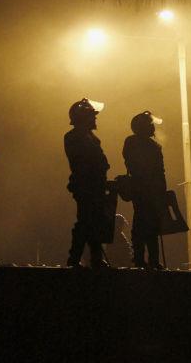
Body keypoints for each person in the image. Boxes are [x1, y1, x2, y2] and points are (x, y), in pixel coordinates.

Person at [64, 98, 110, 269]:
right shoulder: (75, 137)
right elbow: (85, 162)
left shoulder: (88, 137)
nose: (95, 119)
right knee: (85, 221)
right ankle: (75, 258)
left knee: (94, 222)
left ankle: (94, 258)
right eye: (92, 115)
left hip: (93, 185)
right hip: (87, 186)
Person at [122, 111, 166, 270]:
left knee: (149, 224)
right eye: (150, 124)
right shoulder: (144, 145)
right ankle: (143, 259)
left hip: (146, 190)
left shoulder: (134, 143)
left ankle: (147, 259)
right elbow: (155, 170)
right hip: (144, 190)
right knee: (145, 224)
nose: (152, 127)